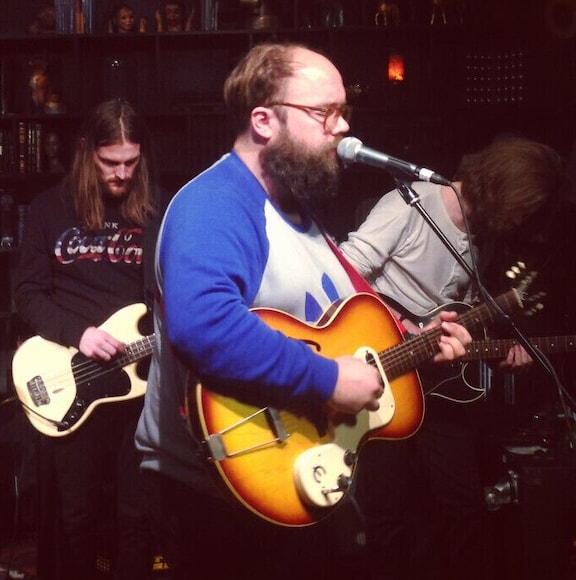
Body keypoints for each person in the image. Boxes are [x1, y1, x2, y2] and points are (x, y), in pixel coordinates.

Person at [133, 42, 473, 579]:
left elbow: (341, 326)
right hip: (222, 493)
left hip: (290, 473)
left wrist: (417, 340)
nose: (342, 128)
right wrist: (326, 379)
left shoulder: (297, 209)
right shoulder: (218, 203)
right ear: (264, 120)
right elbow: (203, 326)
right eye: (325, 113)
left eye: (344, 112)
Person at [339, 135, 566, 579]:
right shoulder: (411, 203)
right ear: (506, 187)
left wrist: (500, 354)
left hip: (436, 390)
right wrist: (400, 328)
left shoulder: (484, 240)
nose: (521, 220)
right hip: (380, 373)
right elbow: (342, 272)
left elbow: (454, 318)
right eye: (524, 207)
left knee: (463, 509)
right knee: (386, 514)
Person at [16, 99, 165, 579]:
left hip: (140, 388)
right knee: (75, 517)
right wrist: (79, 335)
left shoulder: (158, 211)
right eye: (109, 163)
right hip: (73, 378)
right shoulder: (47, 209)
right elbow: (28, 293)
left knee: (136, 515)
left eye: (130, 162)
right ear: (87, 152)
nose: (121, 174)